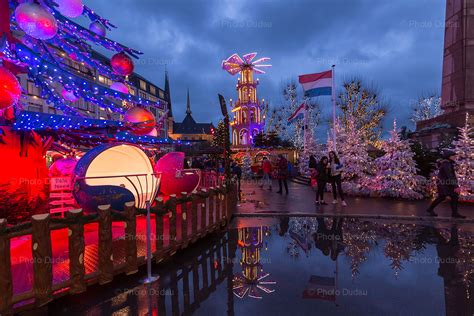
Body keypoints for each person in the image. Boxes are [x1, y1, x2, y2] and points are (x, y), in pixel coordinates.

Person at [426, 150, 465, 218]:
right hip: (444, 184)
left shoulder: (448, 163)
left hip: (445, 183)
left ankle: (454, 213)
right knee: (443, 197)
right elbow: (449, 175)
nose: (455, 157)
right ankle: (430, 209)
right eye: (453, 156)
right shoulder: (446, 163)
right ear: (449, 156)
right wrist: (455, 186)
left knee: (453, 196)